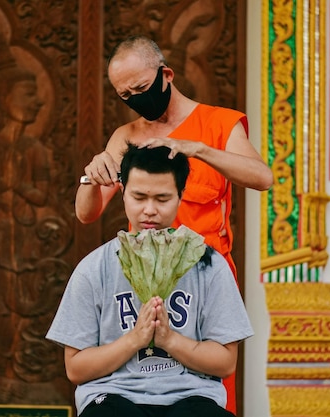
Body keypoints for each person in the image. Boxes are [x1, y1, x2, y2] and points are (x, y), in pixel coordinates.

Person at [74, 35, 273, 412]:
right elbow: (88, 213)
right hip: (142, 285)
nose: (135, 99)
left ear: (166, 74)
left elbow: (262, 177)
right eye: (125, 95)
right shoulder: (127, 136)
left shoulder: (220, 123)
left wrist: (197, 148)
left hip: (204, 284)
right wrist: (90, 176)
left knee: (207, 392)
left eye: (141, 88)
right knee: (136, 388)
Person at [47, 144, 253, 417]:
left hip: (191, 398)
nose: (149, 210)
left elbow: (226, 362)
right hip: (114, 396)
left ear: (180, 196)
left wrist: (169, 340)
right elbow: (75, 368)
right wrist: (135, 339)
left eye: (162, 198)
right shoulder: (94, 268)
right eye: (139, 197)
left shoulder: (210, 266)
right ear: (123, 194)